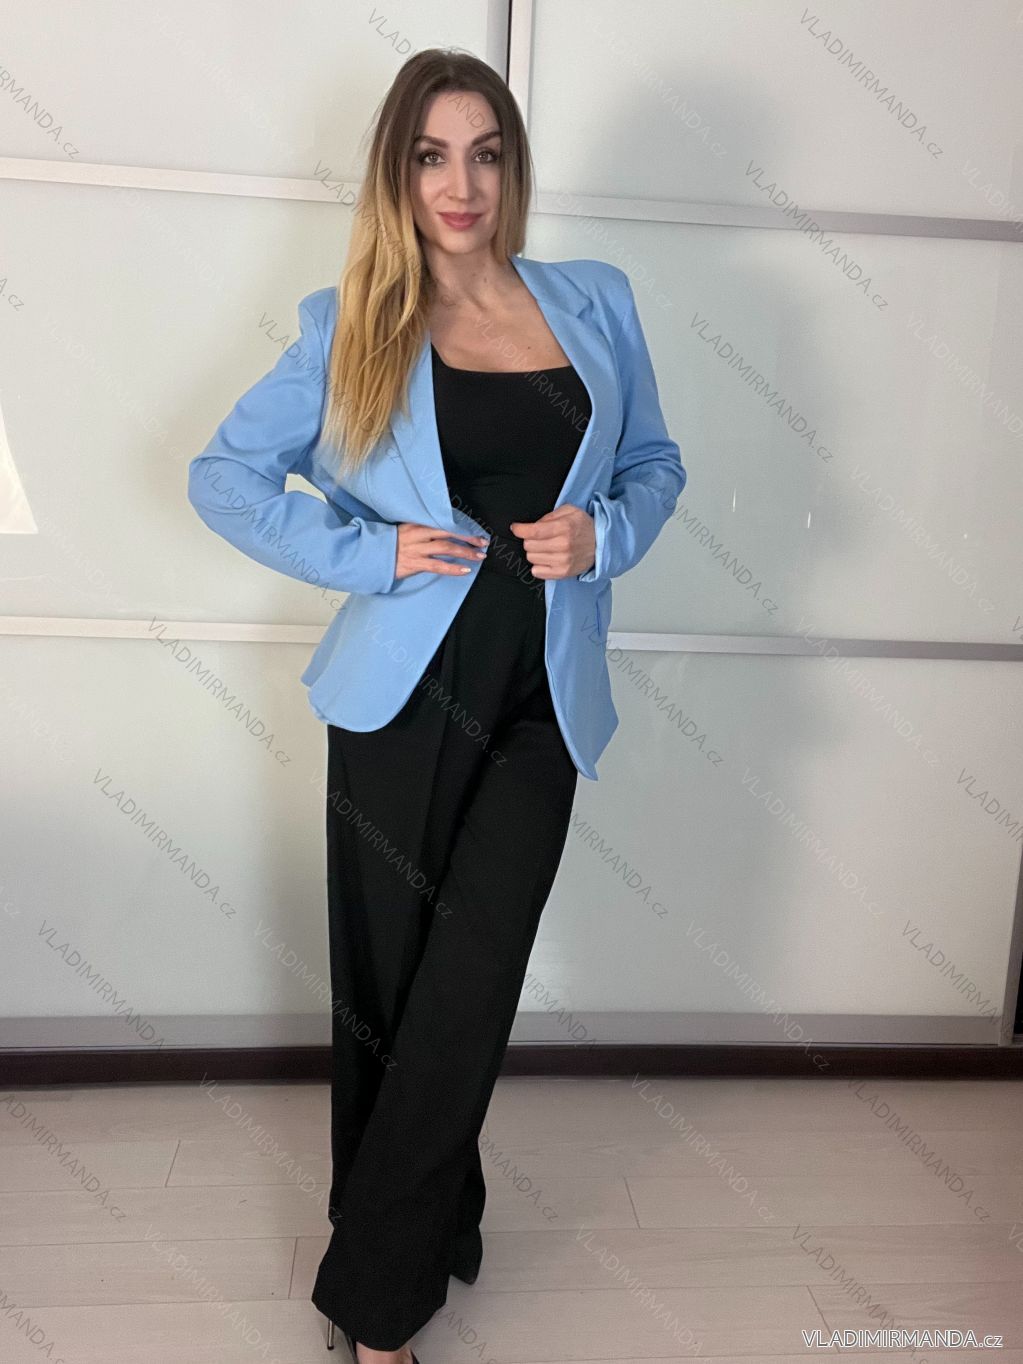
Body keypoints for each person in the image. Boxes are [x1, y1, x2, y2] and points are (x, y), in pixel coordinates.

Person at [187, 46, 685, 1364]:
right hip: (405, 694)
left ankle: (373, 1302)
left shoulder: (596, 301)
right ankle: (424, 1229)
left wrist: (607, 533)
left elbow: (653, 461)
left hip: (541, 689)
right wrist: (368, 552)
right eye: (430, 156)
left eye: (485, 154)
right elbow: (223, 476)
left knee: (472, 979)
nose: (459, 184)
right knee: (392, 993)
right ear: (397, 173)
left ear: (512, 167)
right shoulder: (349, 322)